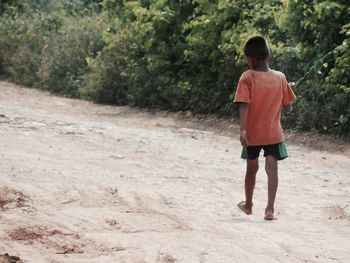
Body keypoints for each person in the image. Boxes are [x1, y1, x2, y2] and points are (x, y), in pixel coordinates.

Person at [233, 36, 296, 220]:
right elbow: (288, 106)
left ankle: (249, 205)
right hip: (272, 134)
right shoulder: (281, 77)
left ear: (250, 59)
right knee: (272, 169)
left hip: (252, 134)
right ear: (268, 55)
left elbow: (243, 104)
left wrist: (243, 129)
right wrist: (291, 90)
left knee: (251, 169)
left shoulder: (247, 77)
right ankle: (269, 209)